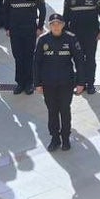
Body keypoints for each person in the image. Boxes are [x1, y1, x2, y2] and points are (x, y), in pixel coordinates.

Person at [33, 12, 84, 151]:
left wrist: (81, 82)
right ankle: (55, 138)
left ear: (63, 25)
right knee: (52, 111)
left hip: (66, 83)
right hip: (48, 83)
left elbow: (79, 61)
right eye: (53, 24)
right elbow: (36, 63)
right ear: (49, 26)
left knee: (65, 110)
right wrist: (37, 84)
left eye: (58, 24)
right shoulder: (43, 40)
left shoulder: (71, 39)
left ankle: (66, 138)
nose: (56, 27)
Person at [62, 0, 100, 95]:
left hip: (91, 33)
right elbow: (65, 16)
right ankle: (80, 82)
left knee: (90, 59)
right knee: (78, 59)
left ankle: (90, 84)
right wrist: (65, 33)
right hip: (75, 34)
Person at [1, 0, 45, 94]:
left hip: (30, 29)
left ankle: (30, 82)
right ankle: (20, 83)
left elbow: (42, 10)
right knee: (18, 56)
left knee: (29, 56)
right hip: (15, 30)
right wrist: (7, 27)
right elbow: (5, 11)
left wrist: (40, 26)